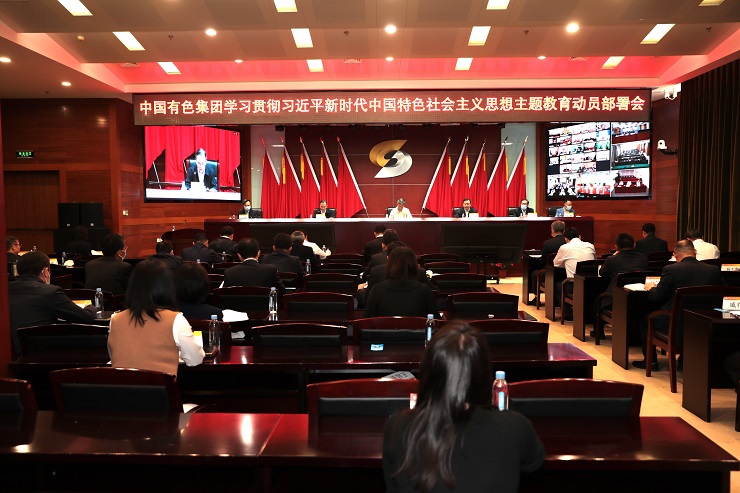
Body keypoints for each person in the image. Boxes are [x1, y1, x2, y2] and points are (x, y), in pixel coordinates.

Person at [383, 323, 544, 493]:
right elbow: (533, 463)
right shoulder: (516, 426)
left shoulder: (397, 427)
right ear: (484, 373)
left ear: (428, 372)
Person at [635, 239, 724, 370]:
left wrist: (651, 288)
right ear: (694, 252)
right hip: (702, 323)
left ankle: (651, 362)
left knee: (645, 319)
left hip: (675, 323)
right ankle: (684, 361)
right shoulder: (713, 270)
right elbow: (721, 293)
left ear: (675, 254)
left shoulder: (671, 269)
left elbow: (656, 296)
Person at [108, 258, 204, 375]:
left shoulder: (115, 319)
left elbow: (114, 357)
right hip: (160, 386)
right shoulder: (176, 320)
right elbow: (195, 360)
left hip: (122, 386)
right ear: (167, 286)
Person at [8, 251, 97, 356]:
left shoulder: (5, 289)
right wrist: (91, 307)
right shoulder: (50, 292)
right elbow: (86, 317)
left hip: (8, 352)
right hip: (37, 354)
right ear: (46, 271)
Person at [594, 233, 649, 338]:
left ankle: (598, 333)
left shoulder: (613, 259)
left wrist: (614, 255)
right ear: (634, 245)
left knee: (598, 301)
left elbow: (602, 273)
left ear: (616, 246)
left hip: (616, 300)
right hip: (638, 299)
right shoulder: (643, 258)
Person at [363, 246, 437, 318]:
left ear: (389, 264)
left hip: (384, 326)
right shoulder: (424, 290)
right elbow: (435, 320)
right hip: (416, 326)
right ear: (413, 264)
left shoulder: (377, 290)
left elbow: (366, 320)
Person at [553, 227, 595, 320]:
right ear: (579, 236)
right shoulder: (590, 246)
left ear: (566, 239)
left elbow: (556, 264)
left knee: (558, 286)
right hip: (591, 284)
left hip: (574, 285)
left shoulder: (565, 247)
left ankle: (568, 314)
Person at [528, 220, 566, 304]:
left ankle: (536, 298)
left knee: (534, 273)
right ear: (564, 230)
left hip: (551, 273)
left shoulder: (548, 243)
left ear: (552, 230)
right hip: (565, 272)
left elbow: (542, 261)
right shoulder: (567, 242)